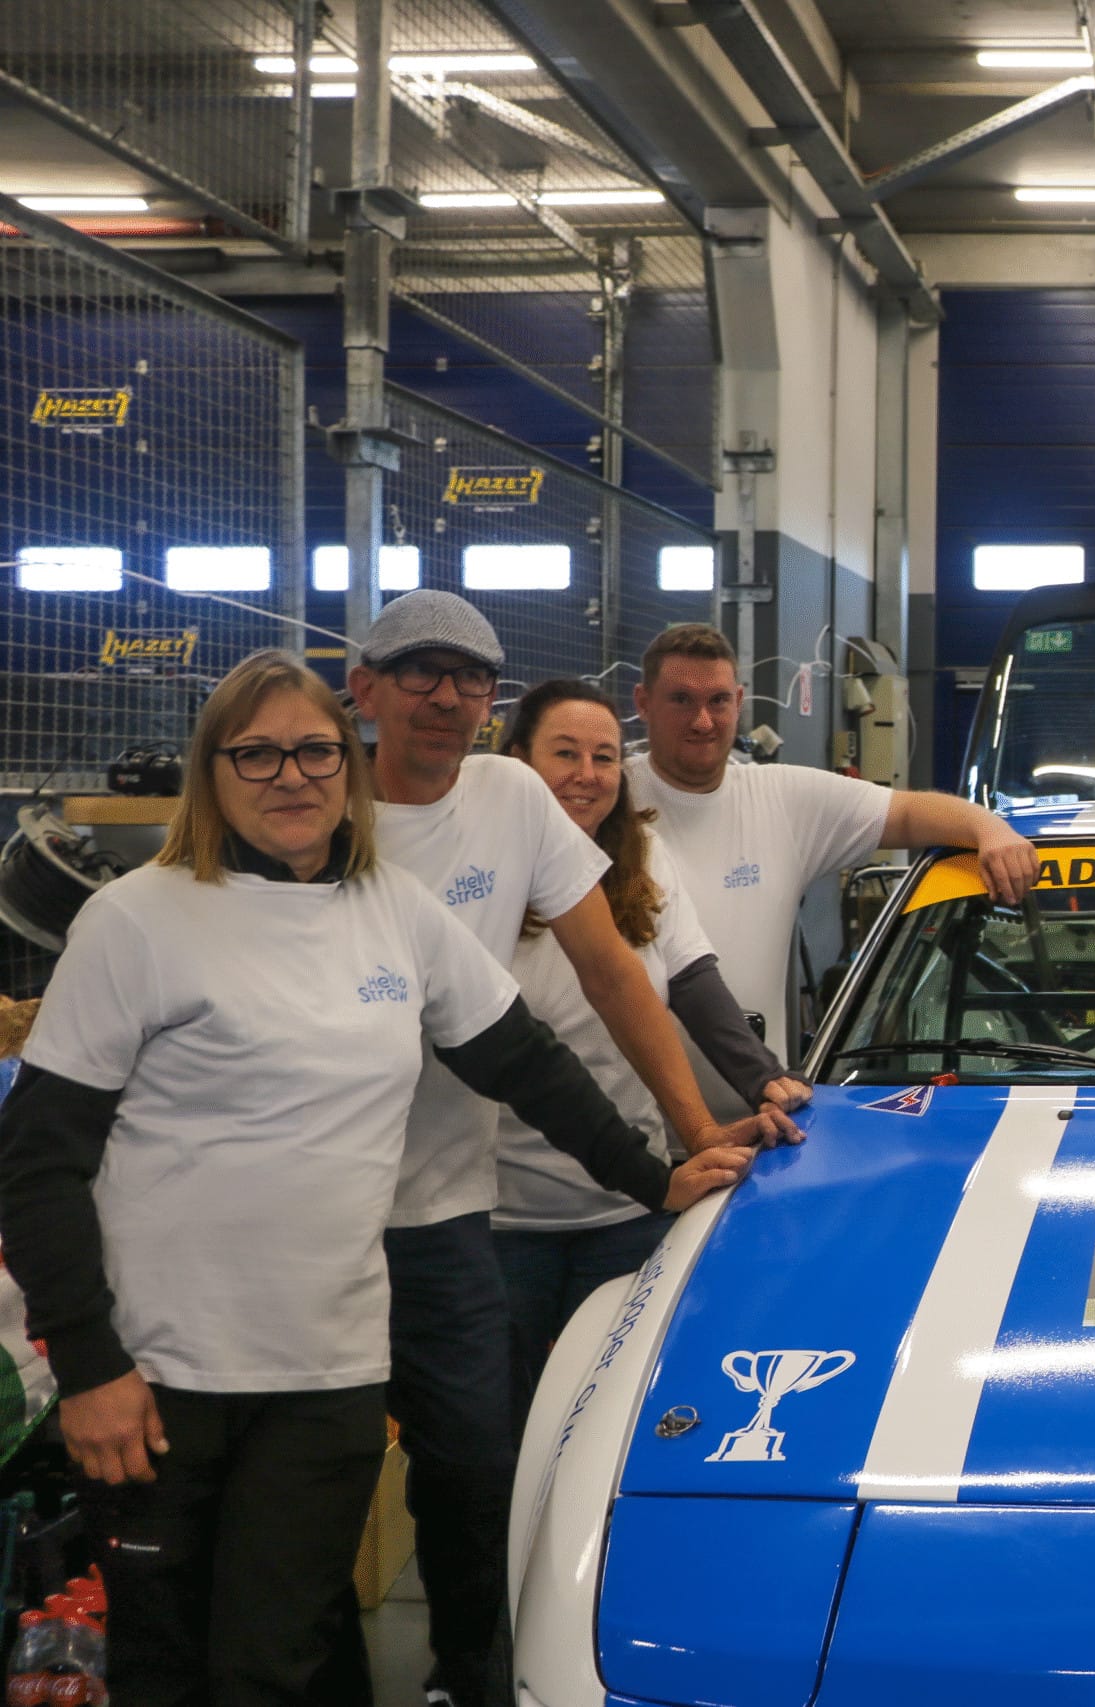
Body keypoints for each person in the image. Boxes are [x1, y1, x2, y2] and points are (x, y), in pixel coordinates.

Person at [0, 652, 750, 1707]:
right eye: (257, 754)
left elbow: (522, 1060)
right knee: (167, 1665)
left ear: (347, 770)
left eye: (316, 752)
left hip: (327, 1373)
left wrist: (652, 1173)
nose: (291, 776)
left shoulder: (393, 907)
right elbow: (39, 1159)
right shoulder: (135, 921)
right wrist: (88, 1365)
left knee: (277, 1657)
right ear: (212, 772)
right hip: (162, 1376)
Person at [346, 592, 782, 1707]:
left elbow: (620, 975)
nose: (446, 696)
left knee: (475, 1462)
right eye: (421, 672)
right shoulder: (325, 808)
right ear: (366, 688)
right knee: (331, 1470)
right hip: (325, 1210)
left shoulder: (511, 803)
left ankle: (477, 1671)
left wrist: (693, 1138)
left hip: (452, 1203)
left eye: (470, 677)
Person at [491, 680, 810, 1425]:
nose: (586, 774)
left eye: (604, 757)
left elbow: (693, 981)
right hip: (502, 1219)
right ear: (517, 761)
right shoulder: (486, 868)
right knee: (494, 1436)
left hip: (630, 1203)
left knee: (618, 1420)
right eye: (564, 753)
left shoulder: (641, 854)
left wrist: (765, 1082)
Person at [626, 623, 1040, 1092]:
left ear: (739, 702)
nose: (703, 721)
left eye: (718, 701)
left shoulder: (781, 798)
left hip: (760, 1116)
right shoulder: (608, 804)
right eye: (681, 700)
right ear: (643, 702)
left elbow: (907, 813)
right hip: (628, 1122)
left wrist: (990, 830)